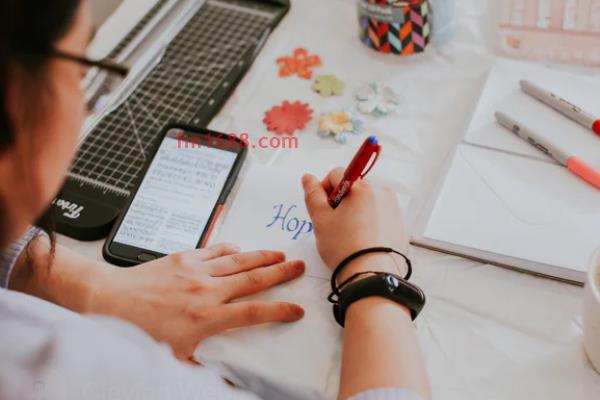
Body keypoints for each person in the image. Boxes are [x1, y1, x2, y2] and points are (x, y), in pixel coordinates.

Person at [0, 1, 431, 399]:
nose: (88, 110)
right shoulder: (91, 372)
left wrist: (79, 282)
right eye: (82, 74)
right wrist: (374, 272)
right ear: (14, 106)